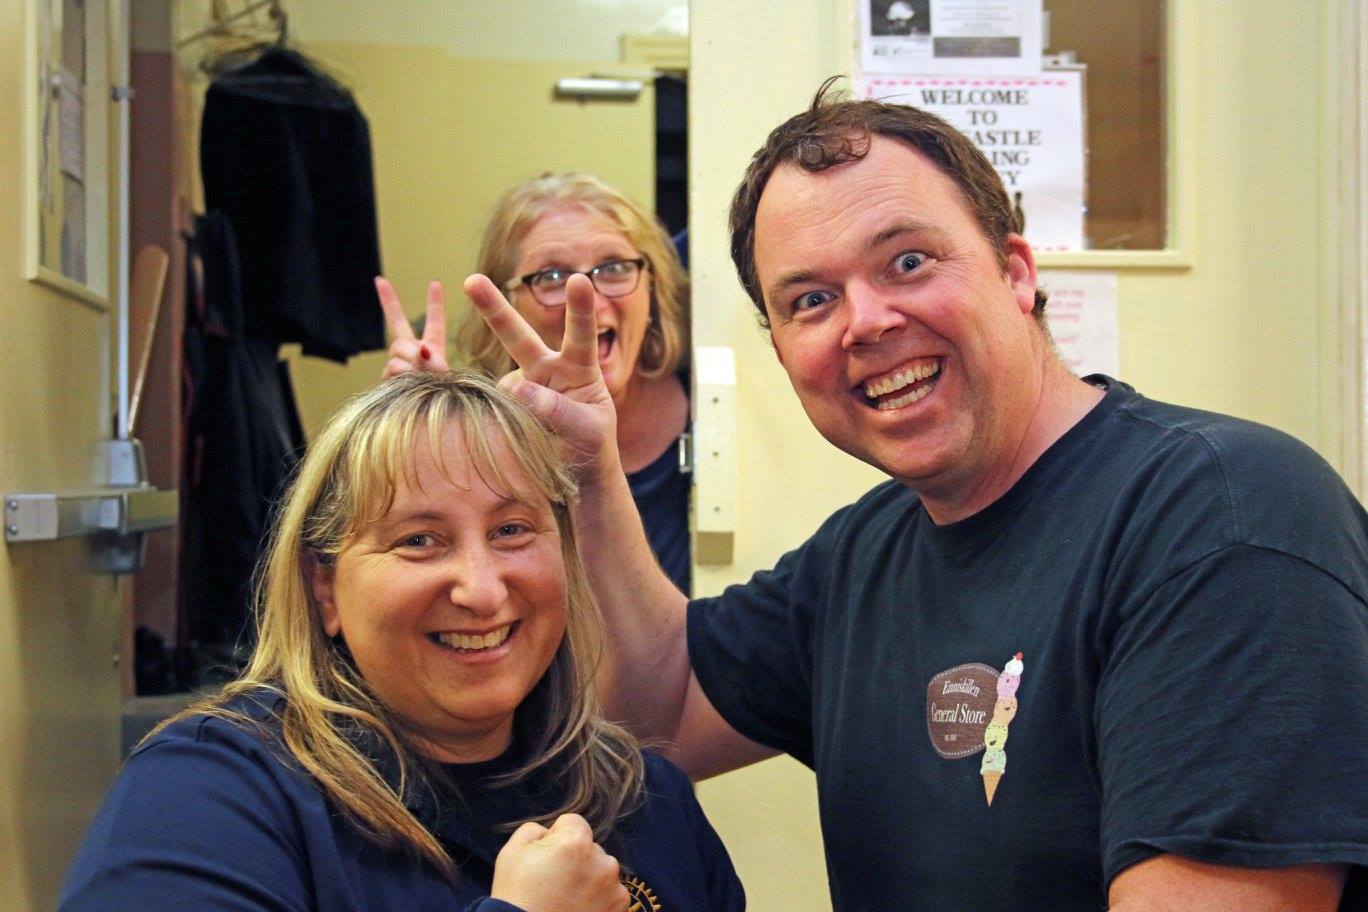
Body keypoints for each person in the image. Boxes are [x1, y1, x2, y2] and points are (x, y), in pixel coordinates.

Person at [458, 83, 1368, 910]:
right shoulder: (865, 555)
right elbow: (662, 709)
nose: (866, 322)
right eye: (810, 301)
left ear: (1017, 272)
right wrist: (590, 469)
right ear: (782, 352)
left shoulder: (1222, 518)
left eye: (907, 263)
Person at [60, 370, 744, 912]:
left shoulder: (644, 796)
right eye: (419, 540)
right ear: (325, 588)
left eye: (511, 530)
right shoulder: (209, 793)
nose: (482, 590)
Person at [375, 172, 693, 592]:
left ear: (653, 286)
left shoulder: (717, 408)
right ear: (506, 305)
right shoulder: (486, 439)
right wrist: (428, 436)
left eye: (614, 268)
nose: (587, 299)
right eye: (552, 277)